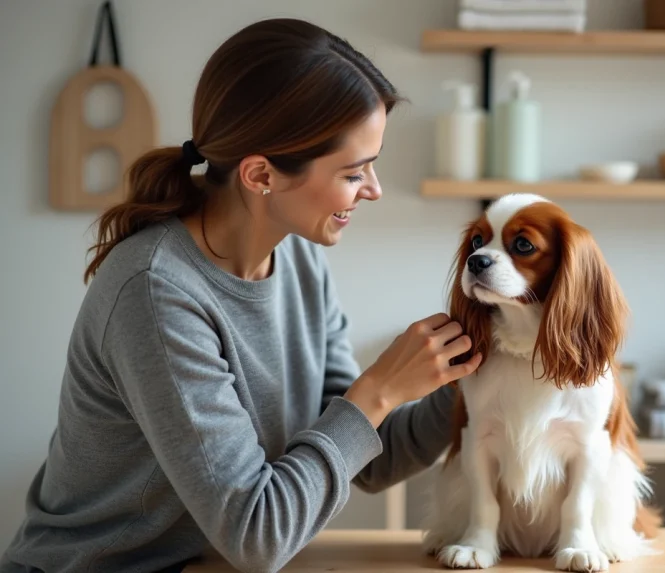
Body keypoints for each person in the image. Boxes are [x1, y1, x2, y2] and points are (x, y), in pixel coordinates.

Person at [0, 17, 481, 573]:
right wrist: (377, 389)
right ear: (261, 175)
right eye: (355, 172)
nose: (372, 189)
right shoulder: (156, 292)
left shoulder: (299, 258)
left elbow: (368, 459)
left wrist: (464, 375)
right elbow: (258, 535)